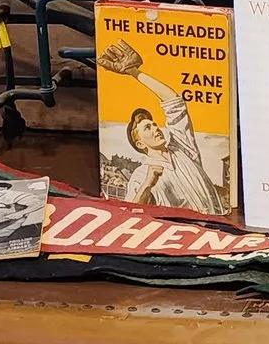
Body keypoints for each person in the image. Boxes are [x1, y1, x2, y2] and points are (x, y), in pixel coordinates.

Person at [97, 39, 229, 214]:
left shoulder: (182, 148)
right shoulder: (141, 174)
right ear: (140, 144)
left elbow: (174, 102)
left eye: (154, 124)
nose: (156, 128)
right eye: (147, 128)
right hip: (185, 231)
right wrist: (148, 184)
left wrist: (134, 72)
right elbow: (131, 214)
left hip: (220, 224)